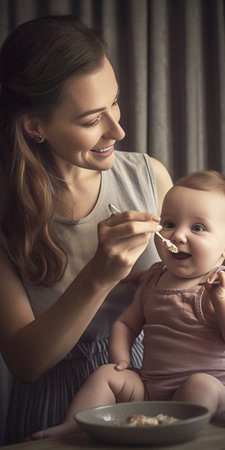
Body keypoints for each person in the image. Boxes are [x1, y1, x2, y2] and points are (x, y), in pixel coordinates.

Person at [0, 15, 172, 444]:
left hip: (148, 383)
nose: (118, 129)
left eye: (114, 103)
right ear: (34, 126)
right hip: (57, 404)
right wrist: (98, 275)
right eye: (92, 118)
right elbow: (25, 362)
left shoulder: (149, 176)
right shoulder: (6, 214)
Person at [32, 169, 225, 439]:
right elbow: (125, 323)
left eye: (197, 228)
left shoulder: (218, 286)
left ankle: (185, 436)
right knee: (107, 375)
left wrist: (220, 301)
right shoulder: (153, 278)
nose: (177, 235)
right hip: (149, 389)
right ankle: (75, 425)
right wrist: (121, 360)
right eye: (169, 224)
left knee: (200, 384)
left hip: (207, 388)